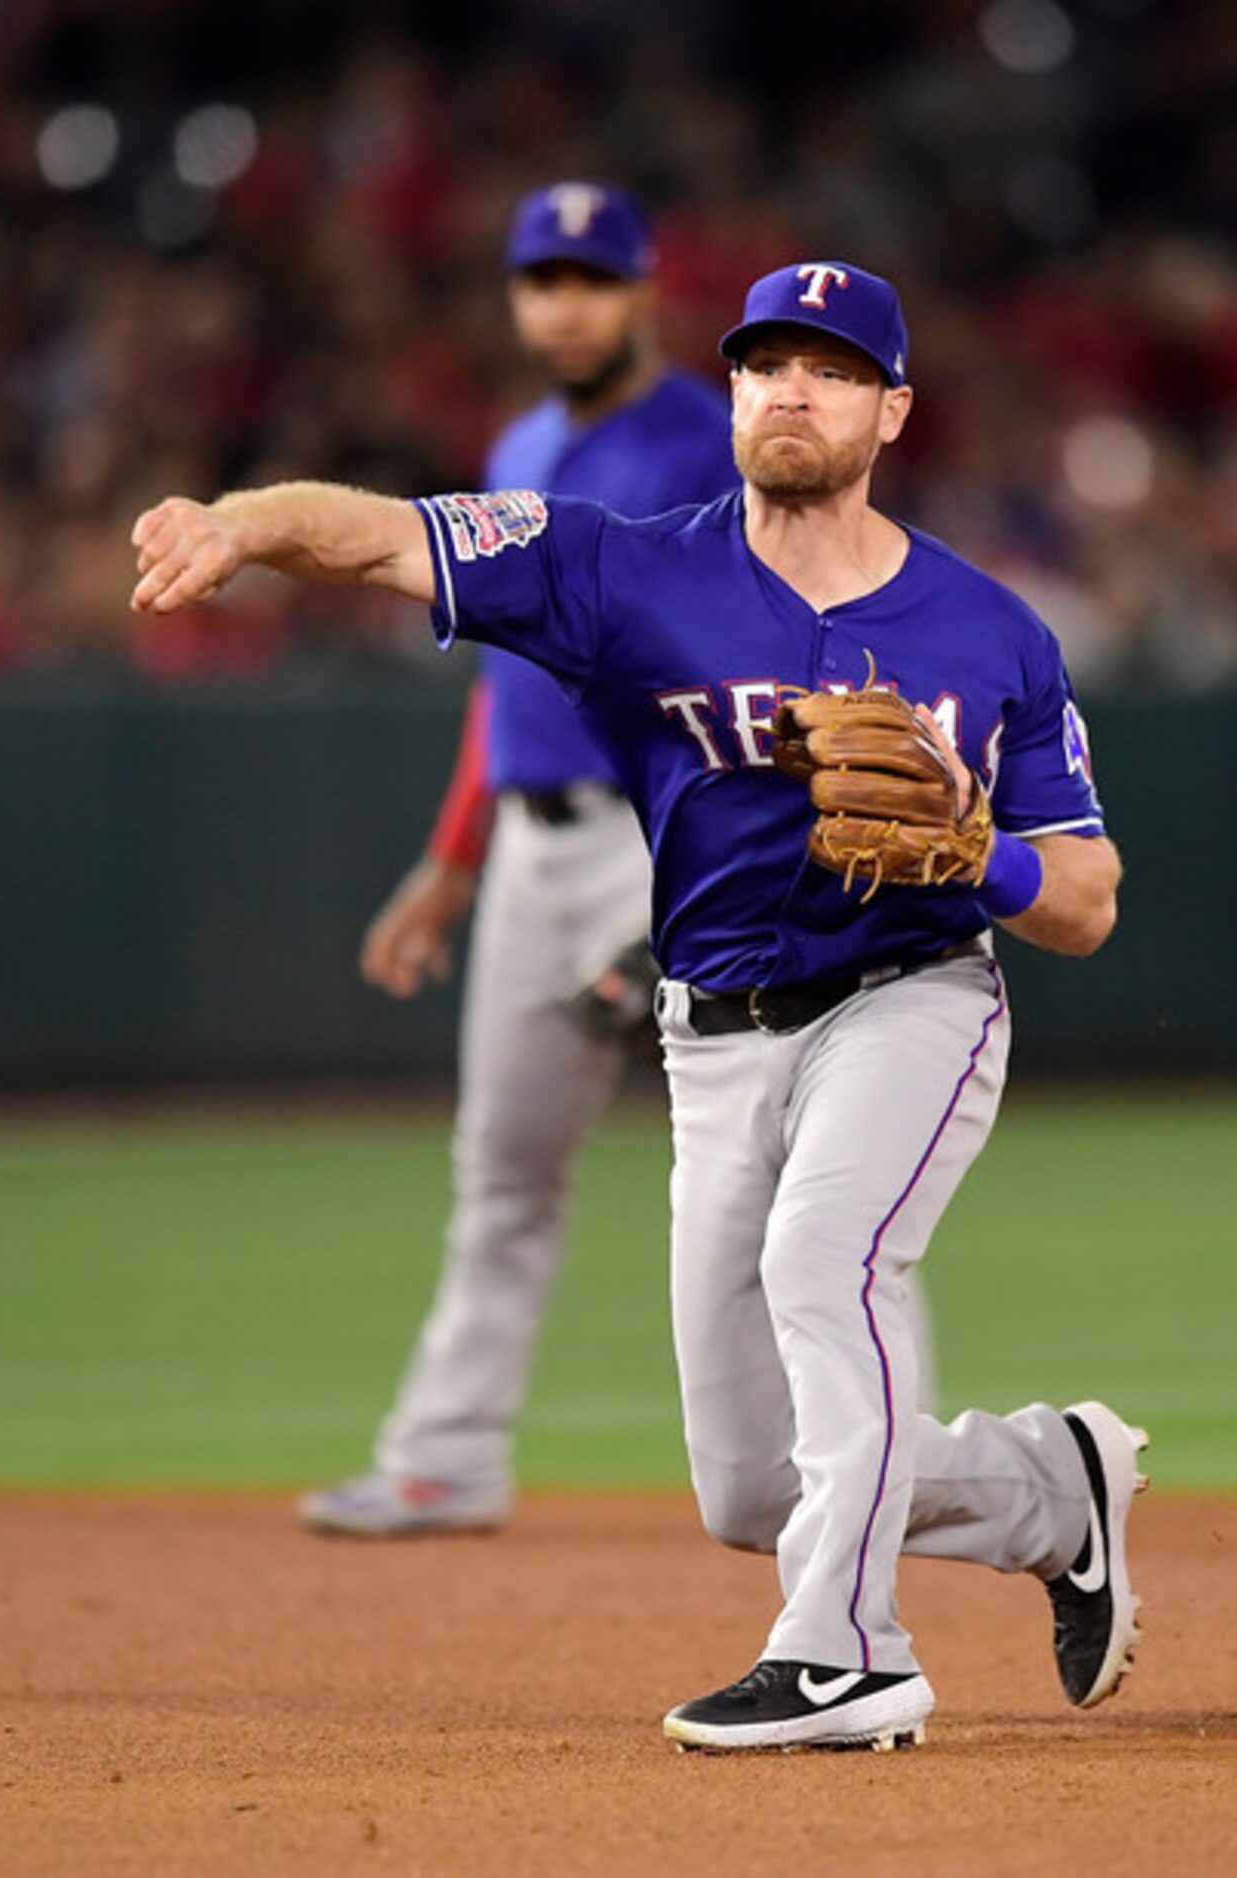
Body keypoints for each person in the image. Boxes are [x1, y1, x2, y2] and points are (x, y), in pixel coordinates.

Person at [128, 261, 1144, 1754]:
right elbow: (381, 535)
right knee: (747, 1484)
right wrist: (237, 525)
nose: (789, 390)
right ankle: (1051, 1487)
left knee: (825, 1260)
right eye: (762, 365)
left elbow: (1086, 898)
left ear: (891, 410)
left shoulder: (989, 631)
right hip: (715, 1035)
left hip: (913, 998)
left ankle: (847, 1653)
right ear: (728, 392)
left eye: (830, 368)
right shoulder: (619, 566)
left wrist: (970, 849)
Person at [301, 181, 741, 1540]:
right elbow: (503, 682)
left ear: (642, 288)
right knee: (501, 1165)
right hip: (531, 852)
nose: (563, 304)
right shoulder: (516, 441)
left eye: (589, 278)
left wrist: (697, 875)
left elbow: (747, 652)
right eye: (539, 279)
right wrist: (450, 859)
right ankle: (446, 1455)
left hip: (659, 833)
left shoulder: (702, 443)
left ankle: (854, 1461)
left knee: (766, 1168)